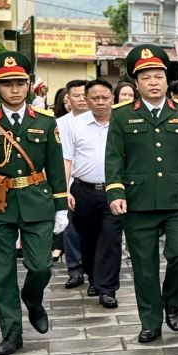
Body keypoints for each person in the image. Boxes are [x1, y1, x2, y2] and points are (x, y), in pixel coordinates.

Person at [0, 51, 69, 355]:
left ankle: (32, 299)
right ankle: (11, 333)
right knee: (3, 273)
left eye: (20, 82)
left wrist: (61, 206)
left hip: (37, 201)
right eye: (7, 84)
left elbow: (56, 165)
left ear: (29, 84)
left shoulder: (45, 122)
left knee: (41, 266)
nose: (15, 89)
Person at [105, 45, 178, 343]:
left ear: (167, 80)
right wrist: (115, 192)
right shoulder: (122, 115)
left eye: (159, 76)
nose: (153, 82)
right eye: (146, 77)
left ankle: (173, 302)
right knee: (144, 268)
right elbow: (114, 156)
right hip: (137, 202)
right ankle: (150, 321)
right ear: (136, 83)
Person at [65, 79, 124, 309]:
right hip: (83, 190)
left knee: (111, 239)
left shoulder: (122, 124)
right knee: (88, 239)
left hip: (114, 191)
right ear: (86, 100)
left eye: (105, 98)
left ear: (113, 99)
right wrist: (65, 190)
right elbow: (67, 159)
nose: (100, 102)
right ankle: (93, 277)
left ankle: (108, 288)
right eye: (95, 98)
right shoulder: (75, 125)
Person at [54, 77, 91, 289]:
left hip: (92, 183)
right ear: (68, 98)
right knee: (70, 229)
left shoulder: (105, 121)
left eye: (84, 95)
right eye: (76, 96)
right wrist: (63, 189)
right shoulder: (60, 124)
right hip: (68, 182)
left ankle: (93, 270)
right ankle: (75, 270)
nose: (81, 99)